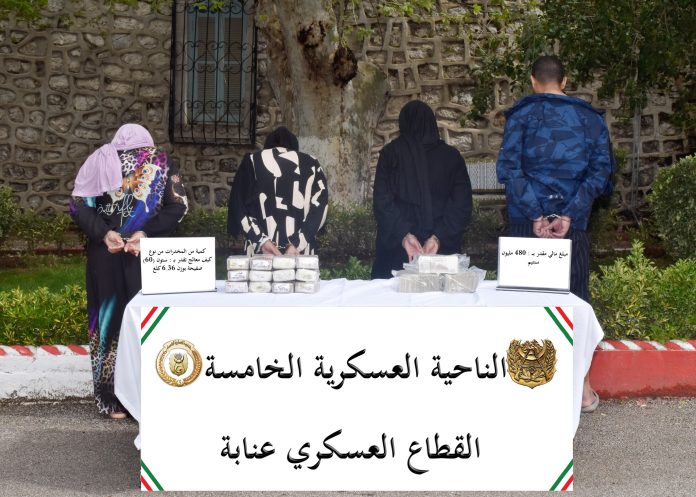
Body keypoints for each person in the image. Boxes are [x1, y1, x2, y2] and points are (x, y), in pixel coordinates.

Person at [496, 55, 612, 413]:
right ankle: (583, 391)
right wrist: (568, 214)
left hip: (525, 227)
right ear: (565, 81)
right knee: (576, 305)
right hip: (570, 229)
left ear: (533, 80)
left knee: (522, 306)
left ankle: (522, 391)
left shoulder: (519, 116)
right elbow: (600, 174)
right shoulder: (590, 120)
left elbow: (509, 170)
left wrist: (536, 214)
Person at [70, 124, 188, 419]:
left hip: (105, 253)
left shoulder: (99, 159)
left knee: (107, 325)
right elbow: (178, 207)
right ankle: (147, 398)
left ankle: (112, 402)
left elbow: (77, 206)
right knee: (146, 323)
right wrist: (145, 233)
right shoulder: (161, 160)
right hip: (143, 253)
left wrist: (104, 233)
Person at [371, 100, 472, 279]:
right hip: (439, 253)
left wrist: (404, 235)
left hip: (400, 252)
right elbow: (461, 205)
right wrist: (438, 237)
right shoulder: (451, 157)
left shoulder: (390, 154)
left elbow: (382, 201)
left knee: (392, 294)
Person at [227, 126, 328, 255]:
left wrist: (261, 241)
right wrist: (297, 243)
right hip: (301, 255)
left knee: (258, 270)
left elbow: (239, 205)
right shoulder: (312, 163)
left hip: (260, 255)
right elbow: (320, 208)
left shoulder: (251, 162)